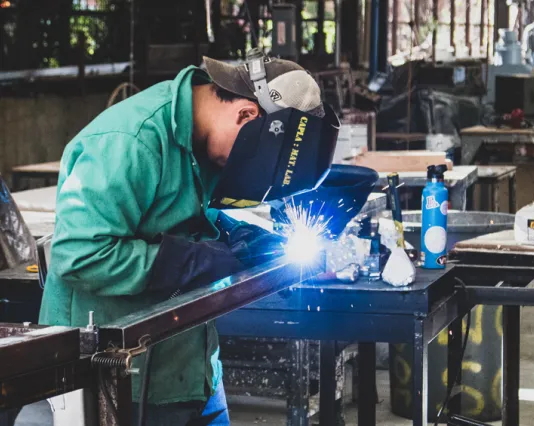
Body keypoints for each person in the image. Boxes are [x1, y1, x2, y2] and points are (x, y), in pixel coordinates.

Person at [39, 52, 334, 426]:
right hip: (114, 379)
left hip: (193, 367)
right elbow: (79, 253)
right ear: (246, 115)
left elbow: (188, 212)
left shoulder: (202, 140)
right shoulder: (132, 140)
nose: (236, 169)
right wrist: (192, 261)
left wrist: (236, 233)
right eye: (248, 160)